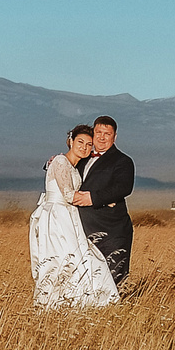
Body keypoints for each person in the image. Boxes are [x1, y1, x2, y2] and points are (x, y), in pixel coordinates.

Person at [29, 125, 119, 308]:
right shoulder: (61, 161)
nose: (84, 147)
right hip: (56, 216)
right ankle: (55, 303)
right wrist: (100, 199)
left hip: (69, 215)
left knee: (78, 258)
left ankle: (76, 302)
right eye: (80, 142)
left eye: (88, 144)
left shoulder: (73, 166)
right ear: (70, 141)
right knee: (62, 259)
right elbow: (68, 195)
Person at [69, 115, 135, 288]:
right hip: (82, 229)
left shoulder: (123, 161)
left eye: (107, 133)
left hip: (112, 231)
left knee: (114, 278)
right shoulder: (82, 158)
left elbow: (124, 187)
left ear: (115, 137)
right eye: (98, 132)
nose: (102, 137)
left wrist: (93, 198)